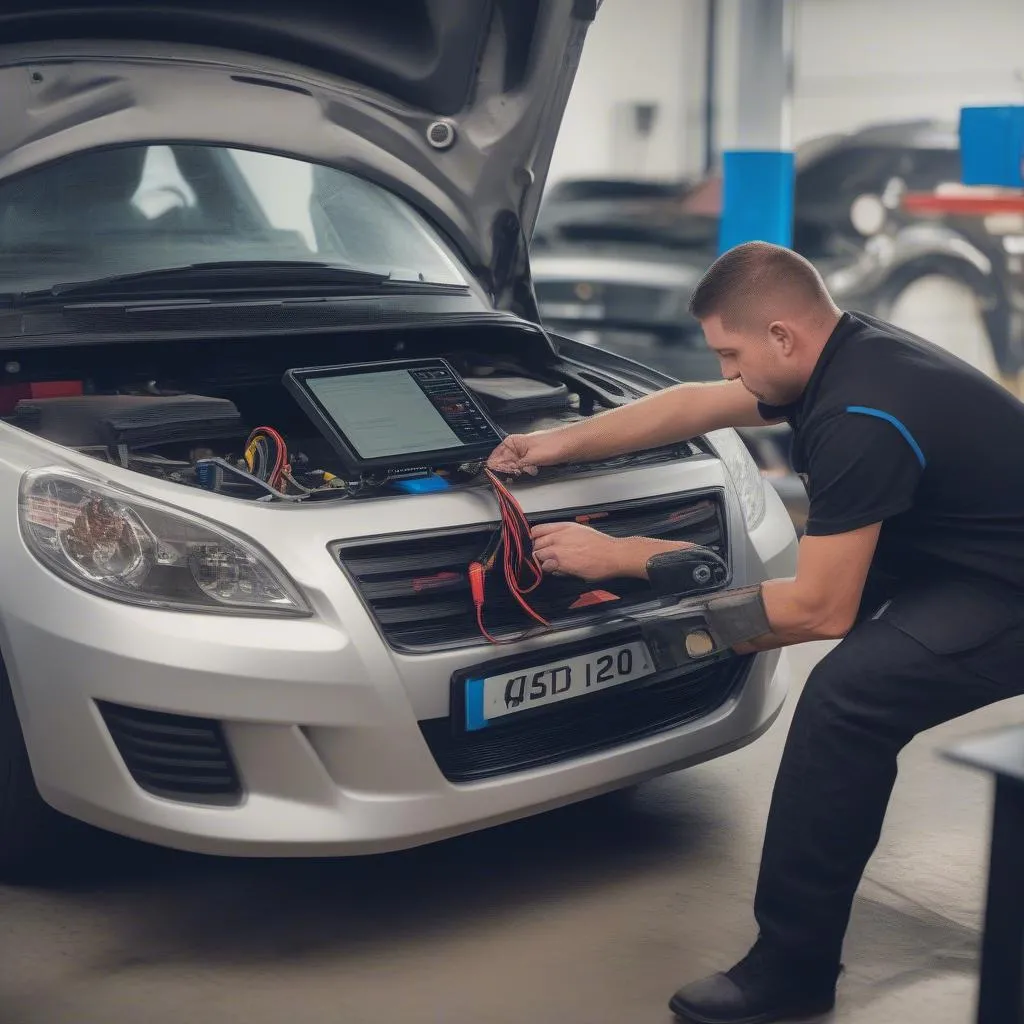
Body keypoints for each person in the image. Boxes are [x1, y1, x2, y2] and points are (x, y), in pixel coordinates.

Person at [486, 240, 1024, 1024]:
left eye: (733, 353)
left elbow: (820, 611)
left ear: (782, 335)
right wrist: (555, 444)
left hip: (1005, 585)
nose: (731, 374)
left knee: (847, 701)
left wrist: (649, 589)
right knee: (830, 646)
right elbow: (694, 404)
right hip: (962, 550)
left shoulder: (859, 413)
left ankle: (791, 970)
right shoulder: (842, 354)